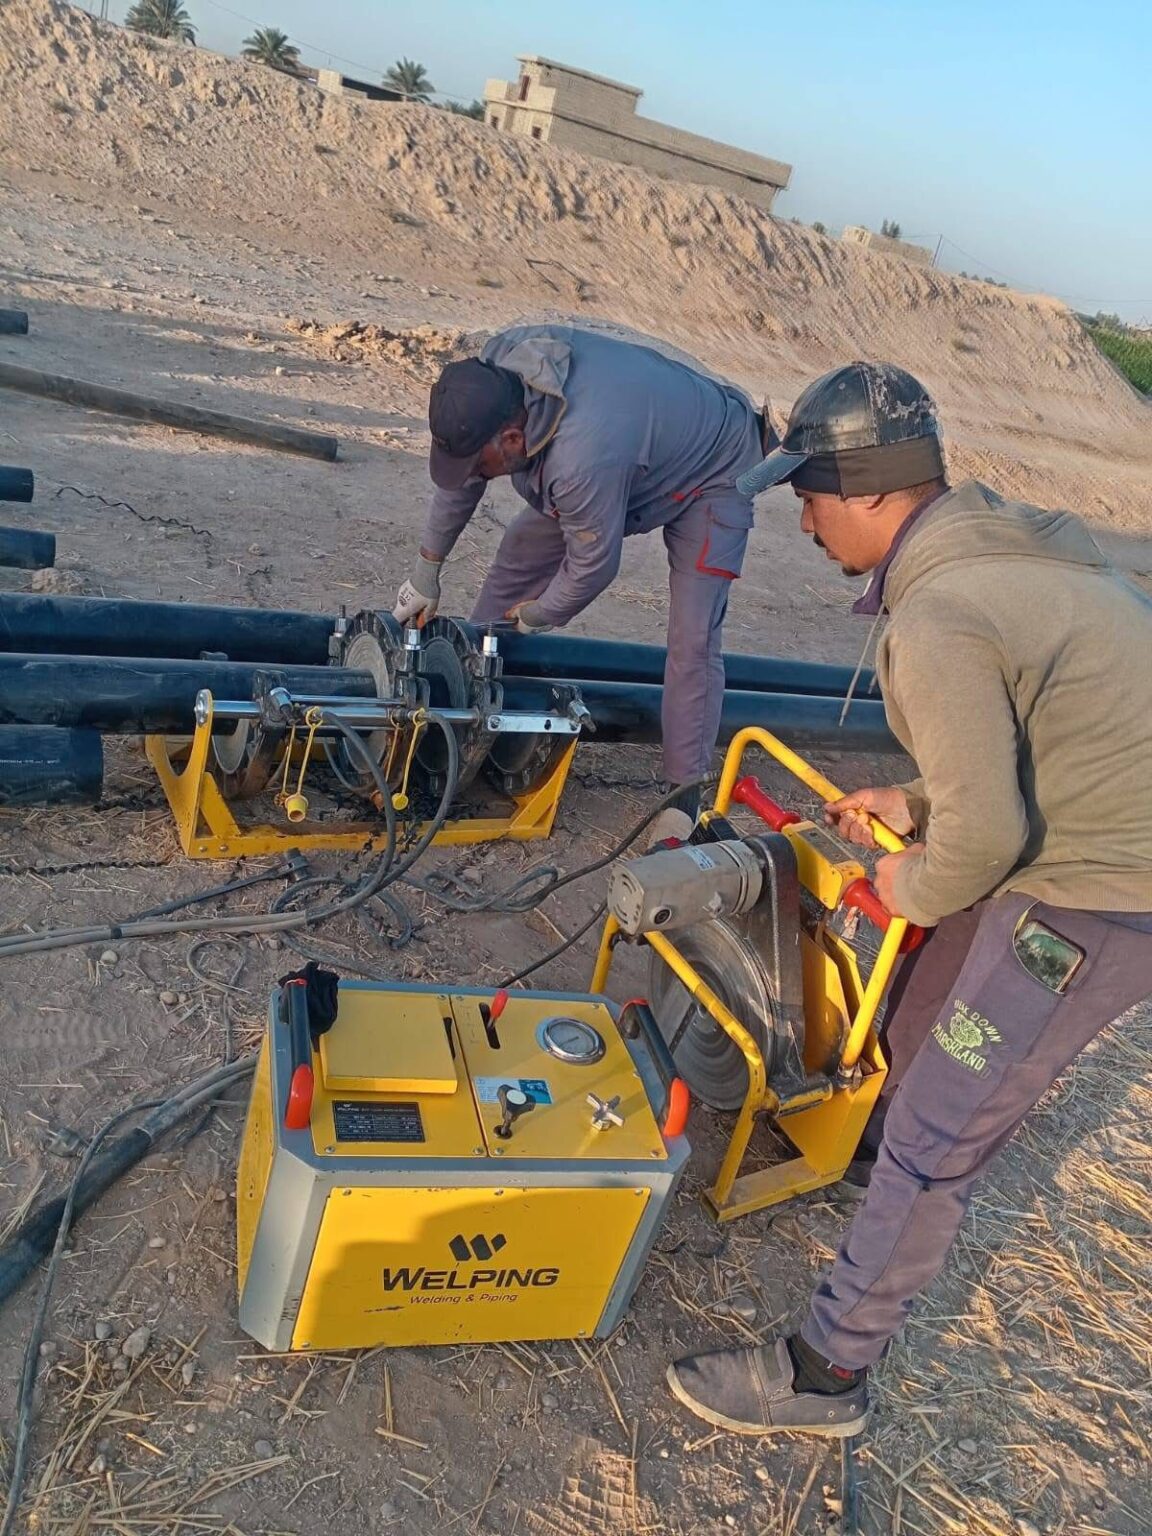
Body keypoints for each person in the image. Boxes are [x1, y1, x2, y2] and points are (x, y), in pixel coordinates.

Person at [666, 360, 1152, 1437]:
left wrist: (911, 875)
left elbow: (988, 840)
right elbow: (1049, 737)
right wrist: (919, 800)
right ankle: (872, 1153)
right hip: (1086, 827)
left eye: (811, 497)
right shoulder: (1014, 555)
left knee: (944, 1125)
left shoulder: (939, 615)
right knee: (926, 990)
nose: (804, 522)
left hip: (1107, 891)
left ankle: (825, 1374)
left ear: (875, 491)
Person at [391, 324, 774, 842]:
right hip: (637, 440)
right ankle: (471, 698)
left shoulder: (578, 460)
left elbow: (593, 564)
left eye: (480, 461)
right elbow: (464, 478)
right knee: (519, 553)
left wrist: (540, 613)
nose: (473, 472)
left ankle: (684, 794)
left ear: (512, 440)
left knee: (693, 638)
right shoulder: (496, 375)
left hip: (715, 467)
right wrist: (426, 570)